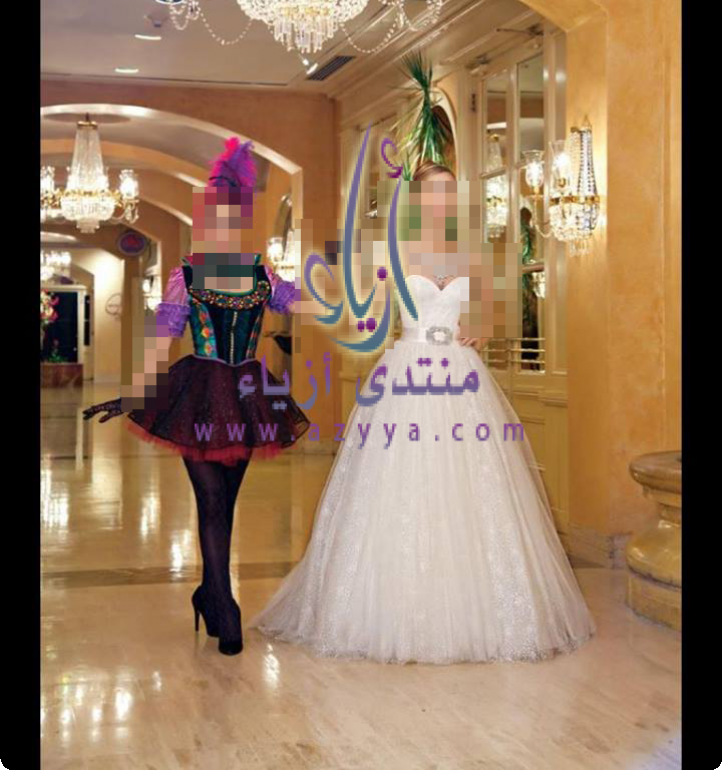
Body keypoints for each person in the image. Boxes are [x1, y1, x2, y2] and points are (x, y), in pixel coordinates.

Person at [250, 161, 595, 664]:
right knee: (403, 485)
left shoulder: (471, 252)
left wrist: (482, 330)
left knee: (470, 489)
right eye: (434, 194)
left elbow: (494, 311)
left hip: (461, 376)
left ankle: (479, 611)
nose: (442, 203)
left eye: (449, 194)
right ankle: (391, 610)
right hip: (408, 373)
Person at [84, 138, 309, 655]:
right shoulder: (184, 275)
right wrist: (135, 392)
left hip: (249, 397)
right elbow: (162, 338)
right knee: (209, 499)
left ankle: (207, 592)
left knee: (226, 500)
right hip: (198, 395)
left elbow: (307, 305)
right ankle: (224, 604)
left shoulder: (262, 274)